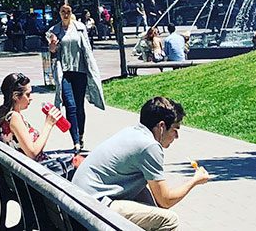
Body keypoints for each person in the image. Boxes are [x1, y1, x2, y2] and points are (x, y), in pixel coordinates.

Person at [72, 96, 209, 231]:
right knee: (170, 220)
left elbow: (155, 199)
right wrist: (195, 181)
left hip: (81, 201)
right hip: (93, 207)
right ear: (161, 126)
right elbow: (165, 201)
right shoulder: (149, 146)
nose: (177, 136)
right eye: (175, 129)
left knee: (147, 200)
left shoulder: (132, 132)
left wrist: (155, 207)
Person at [47, 0, 106, 152]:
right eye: (62, 11)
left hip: (80, 71)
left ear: (71, 12)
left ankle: (80, 135)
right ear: (59, 13)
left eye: (68, 11)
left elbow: (87, 48)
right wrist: (53, 46)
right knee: (70, 106)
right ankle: (75, 141)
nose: (65, 14)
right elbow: (52, 52)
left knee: (79, 106)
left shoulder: (80, 28)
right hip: (64, 72)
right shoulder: (54, 30)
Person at [0, 72, 64, 162]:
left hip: (25, 169)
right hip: (36, 172)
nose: (31, 98)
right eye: (28, 94)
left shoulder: (2, 115)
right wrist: (48, 125)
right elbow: (32, 153)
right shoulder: (14, 117)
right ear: (16, 96)